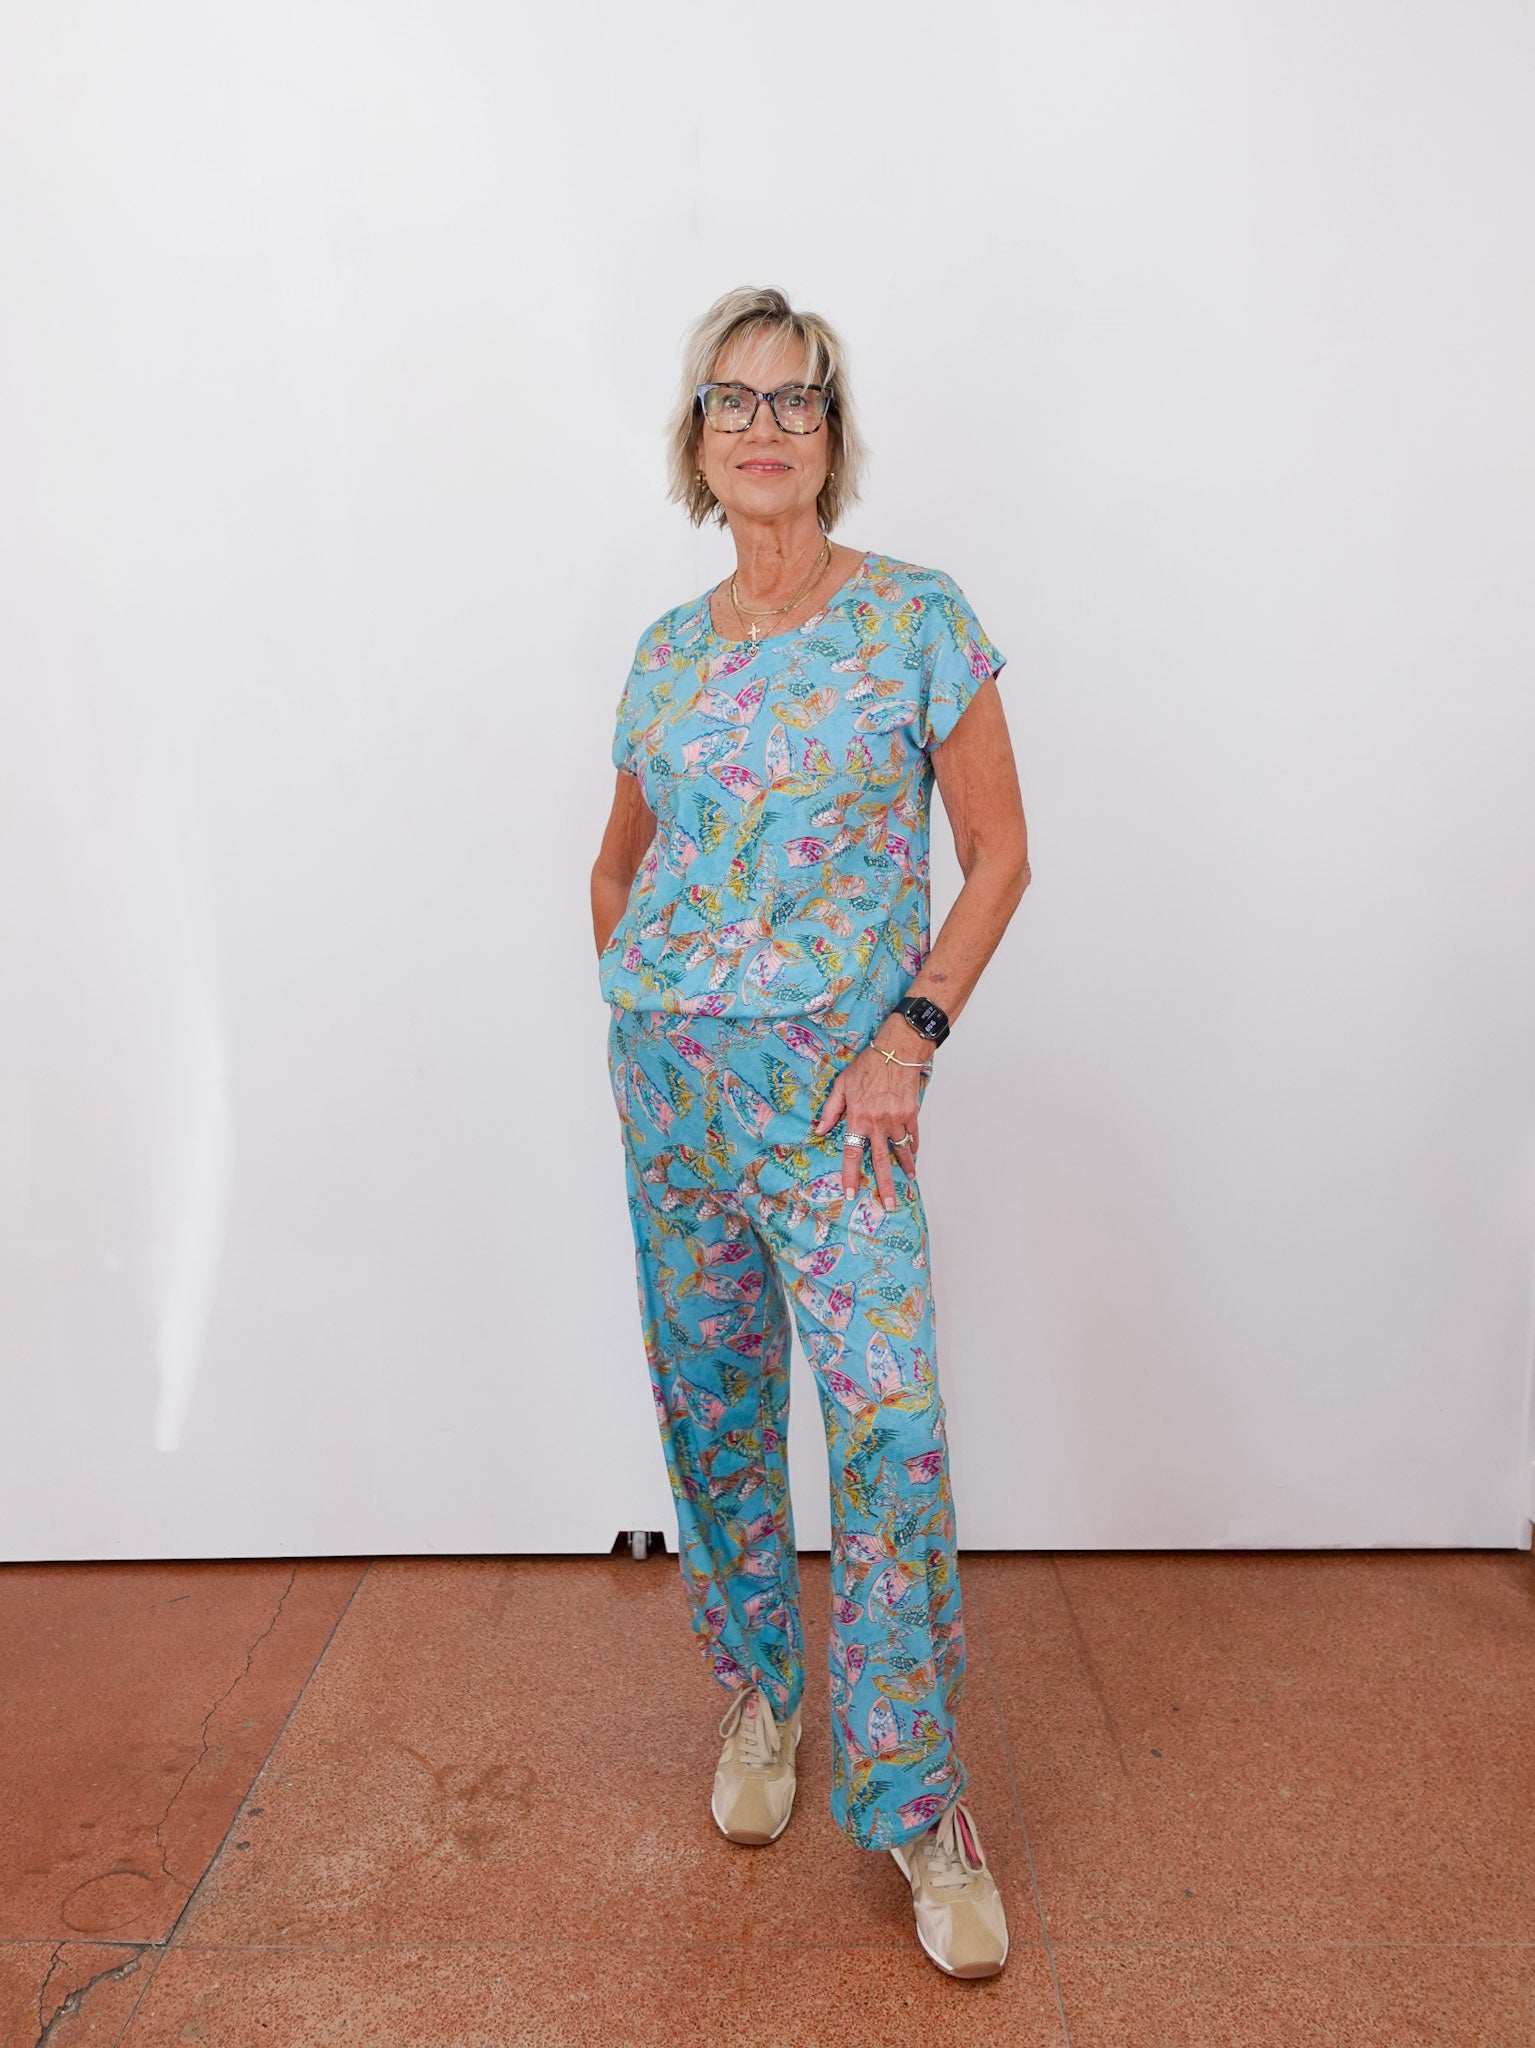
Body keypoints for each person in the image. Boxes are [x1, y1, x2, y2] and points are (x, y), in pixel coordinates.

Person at [589, 285, 1031, 1980]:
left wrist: (909, 1036)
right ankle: (762, 1698)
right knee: (714, 1421)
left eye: (795, 400)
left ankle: (916, 1796)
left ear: (832, 436)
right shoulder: (665, 653)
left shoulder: (916, 618)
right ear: (697, 440)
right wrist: (646, 1010)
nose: (764, 427)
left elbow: (998, 855)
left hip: (842, 1116)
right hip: (676, 1106)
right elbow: (615, 866)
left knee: (889, 1432)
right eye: (734, 400)